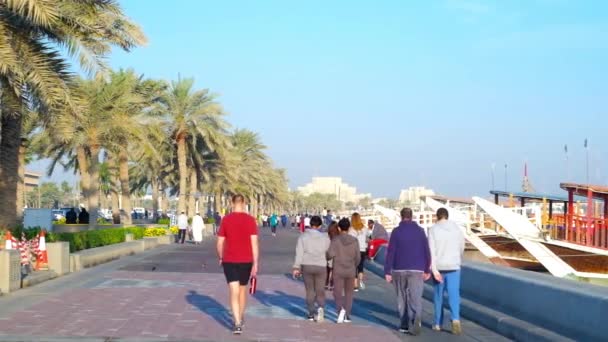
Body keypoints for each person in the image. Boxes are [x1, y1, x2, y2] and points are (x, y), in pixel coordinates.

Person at [384, 208, 432, 335]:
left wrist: (387, 271)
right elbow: (427, 251)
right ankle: (416, 317)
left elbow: (391, 252)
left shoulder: (396, 232)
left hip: (399, 269)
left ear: (401, 217)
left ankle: (404, 324)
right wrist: (427, 269)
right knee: (415, 296)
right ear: (412, 216)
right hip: (417, 269)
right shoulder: (420, 231)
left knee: (402, 297)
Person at [217, 194, 259, 335]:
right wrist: (256, 263)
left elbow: (220, 242)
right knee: (242, 290)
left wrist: (220, 256)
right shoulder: (251, 220)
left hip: (229, 260)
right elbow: (254, 243)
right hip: (246, 260)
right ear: (245, 202)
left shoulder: (226, 220)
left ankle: (237, 323)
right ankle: (239, 318)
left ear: (232, 202)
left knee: (233, 291)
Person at [429, 208, 465, 335]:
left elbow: (431, 251)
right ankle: (455, 319)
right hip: (454, 266)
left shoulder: (433, 229)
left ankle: (438, 323)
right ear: (447, 216)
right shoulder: (457, 229)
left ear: (437, 217)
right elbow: (462, 247)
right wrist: (458, 259)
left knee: (438, 296)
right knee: (454, 295)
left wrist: (434, 270)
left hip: (439, 267)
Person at [293, 215, 331, 322]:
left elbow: (299, 253)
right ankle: (320, 308)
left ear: (310, 224)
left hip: (307, 265)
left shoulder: (303, 237)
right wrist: (330, 263)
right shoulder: (325, 238)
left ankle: (310, 313)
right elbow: (329, 252)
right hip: (321, 266)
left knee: (309, 290)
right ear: (319, 226)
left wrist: (296, 267)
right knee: (320, 290)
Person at [327, 218, 360, 324]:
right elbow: (358, 257)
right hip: (350, 269)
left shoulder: (335, 240)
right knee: (349, 293)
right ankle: (347, 315)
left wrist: (327, 256)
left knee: (337, 292)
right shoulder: (355, 240)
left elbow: (330, 255)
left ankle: (340, 309)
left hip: (338, 269)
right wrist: (354, 265)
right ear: (349, 228)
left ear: (339, 228)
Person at [349, 213, 369, 291]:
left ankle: (355, 286)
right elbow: (368, 237)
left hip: (354, 251)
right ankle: (361, 281)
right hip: (363, 250)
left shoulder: (351, 229)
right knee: (361, 267)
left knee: (354, 268)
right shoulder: (364, 228)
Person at [325, 221, 340, 290]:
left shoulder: (327, 234)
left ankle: (326, 283)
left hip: (328, 253)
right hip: (336, 254)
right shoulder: (338, 235)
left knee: (327, 269)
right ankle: (332, 285)